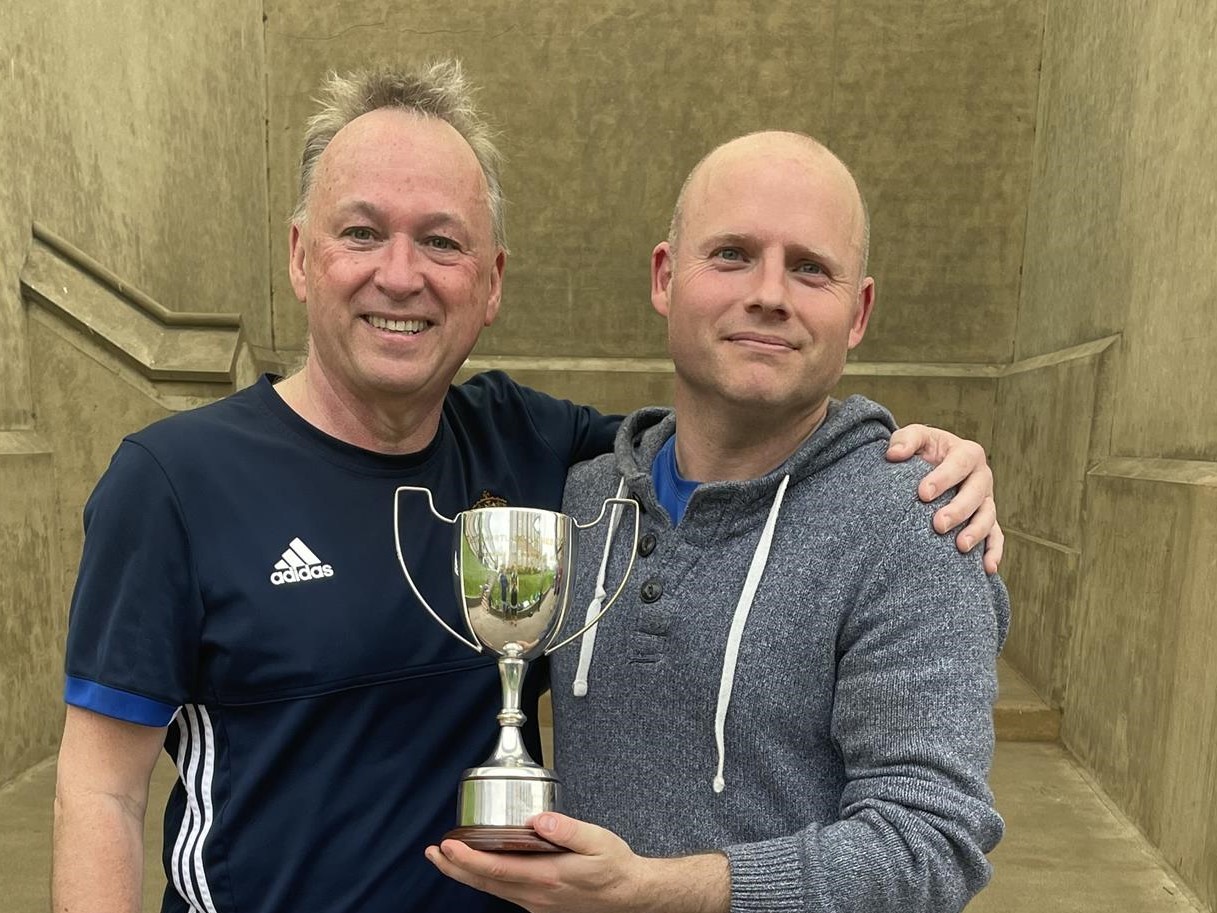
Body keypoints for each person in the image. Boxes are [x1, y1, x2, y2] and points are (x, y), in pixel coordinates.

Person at [51, 61, 999, 913]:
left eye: (442, 242)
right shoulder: (173, 483)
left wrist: (918, 456)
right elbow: (100, 789)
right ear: (302, 255)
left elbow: (729, 430)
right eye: (360, 232)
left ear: (491, 280)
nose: (401, 273)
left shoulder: (542, 454)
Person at [427, 131, 1009, 913]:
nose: (769, 292)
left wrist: (655, 893)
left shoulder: (918, 527)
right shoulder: (584, 501)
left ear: (858, 311)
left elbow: (927, 843)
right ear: (666, 277)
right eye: (731, 253)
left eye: (809, 267)